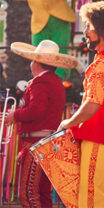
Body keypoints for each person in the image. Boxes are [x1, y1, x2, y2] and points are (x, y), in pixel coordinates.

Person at [57, 1, 104, 208]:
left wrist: (68, 123)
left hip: (99, 137)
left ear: (102, 29)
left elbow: (92, 104)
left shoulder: (101, 64)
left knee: (92, 199)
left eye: (89, 26)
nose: (86, 32)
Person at [6, 40, 77, 208]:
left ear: (36, 63)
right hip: (47, 143)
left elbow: (36, 110)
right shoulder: (55, 81)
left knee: (28, 194)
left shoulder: (40, 82)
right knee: (42, 193)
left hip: (36, 143)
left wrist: (15, 115)